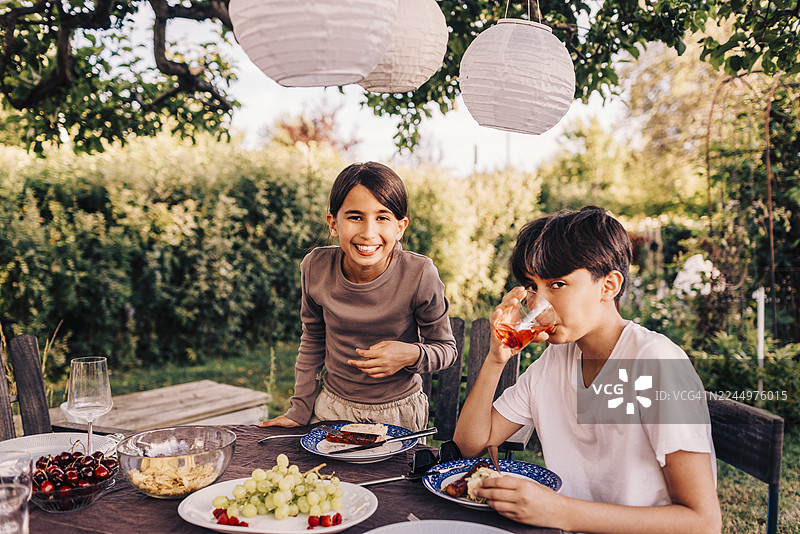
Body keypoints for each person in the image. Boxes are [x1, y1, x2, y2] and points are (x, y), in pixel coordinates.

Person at [453, 206, 721, 533]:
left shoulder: (655, 364)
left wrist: (560, 511)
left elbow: (703, 523)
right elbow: (471, 444)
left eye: (557, 284)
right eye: (533, 287)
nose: (537, 305)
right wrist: (496, 359)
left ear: (608, 286)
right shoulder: (553, 362)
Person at [259, 161, 457, 431]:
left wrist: (411, 354)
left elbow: (446, 350)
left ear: (400, 227)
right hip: (332, 408)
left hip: (398, 413)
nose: (368, 232)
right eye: (355, 217)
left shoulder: (419, 274)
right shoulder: (315, 267)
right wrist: (299, 410)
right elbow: (313, 340)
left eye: (382, 217)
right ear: (334, 223)